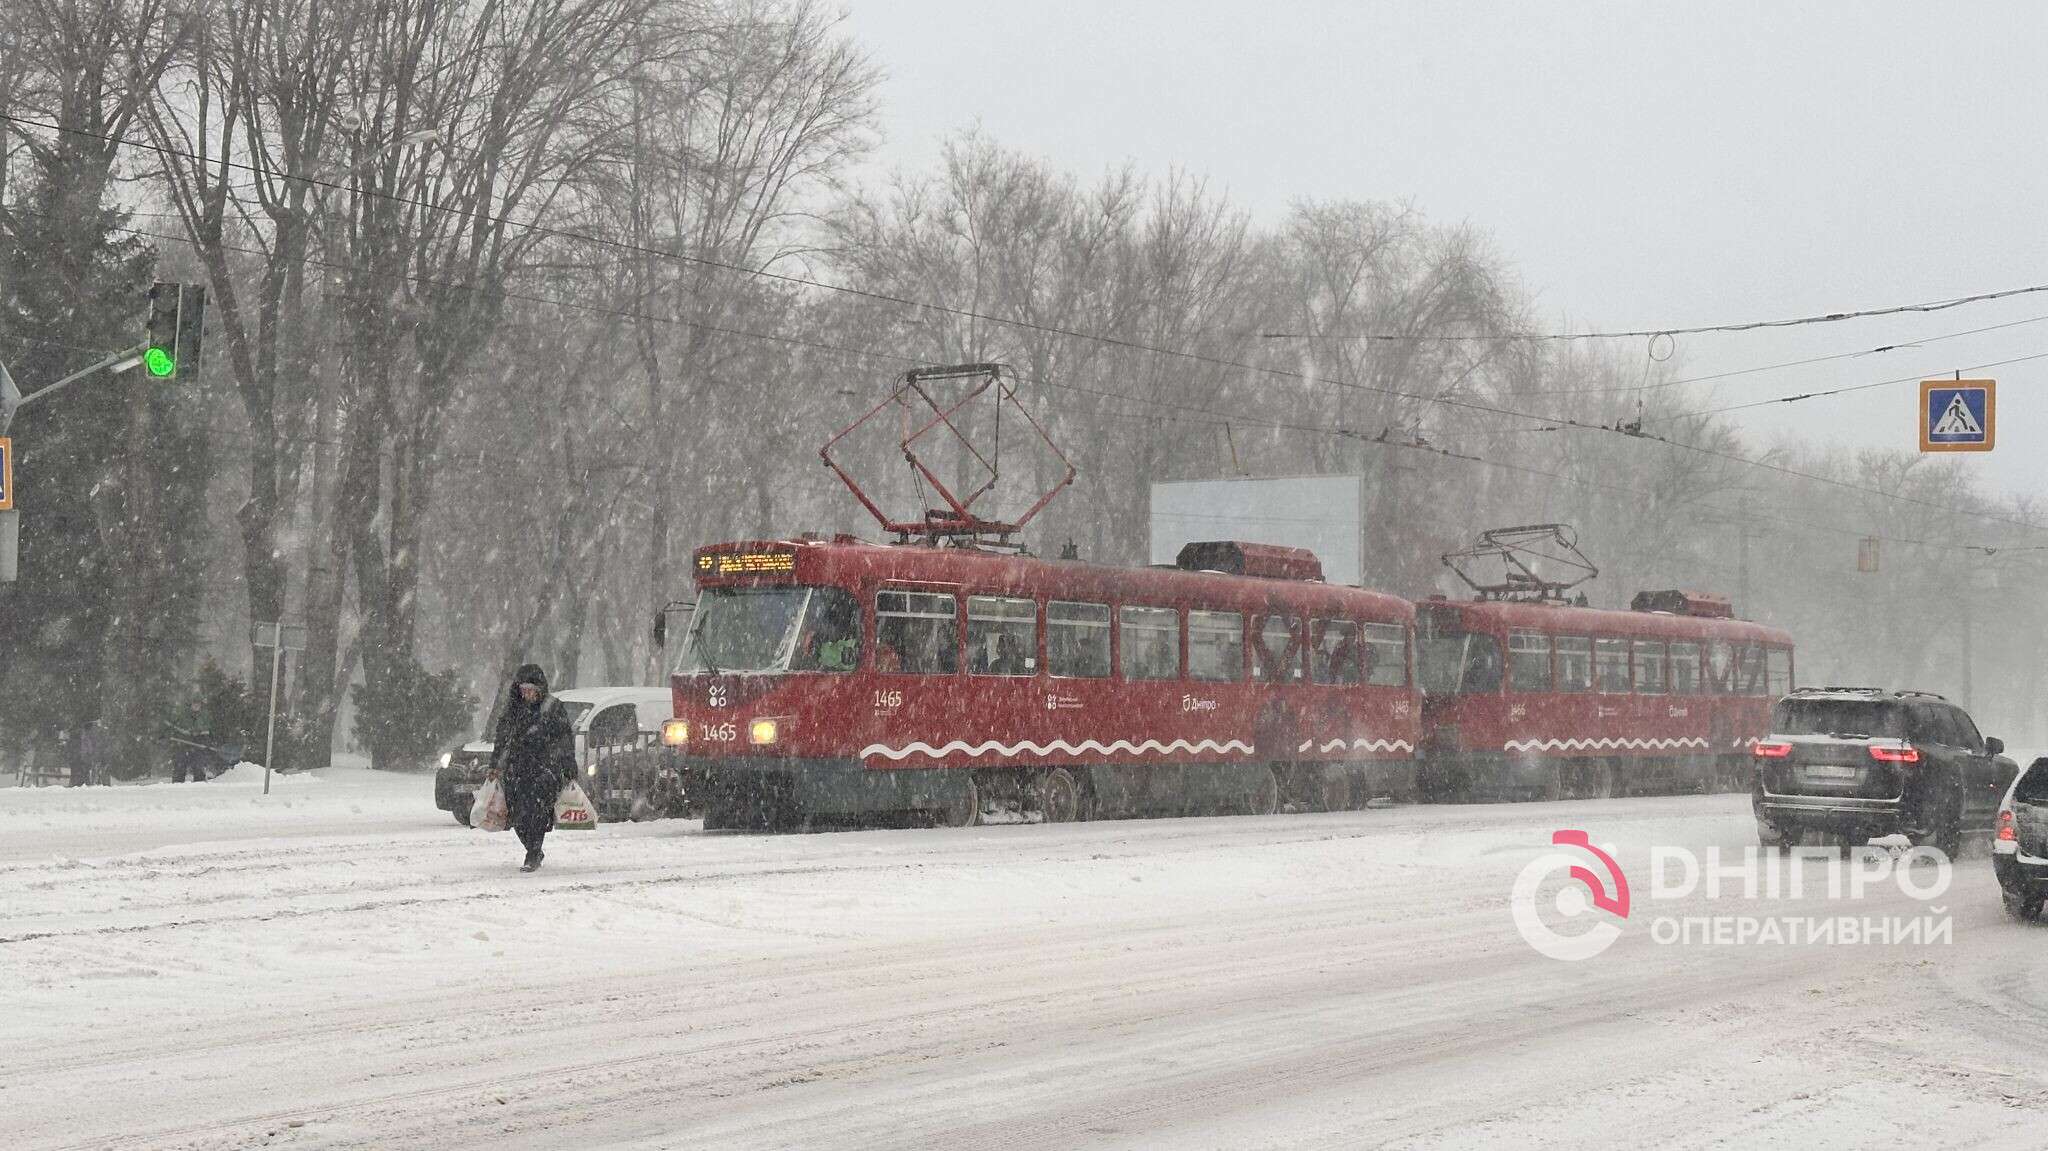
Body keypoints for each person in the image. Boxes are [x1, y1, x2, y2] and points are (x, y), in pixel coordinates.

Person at [490, 663, 576, 872]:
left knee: (536, 812)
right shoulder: (513, 710)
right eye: (523, 690)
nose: (526, 694)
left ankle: (533, 853)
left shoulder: (553, 708)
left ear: (539, 689)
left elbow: (564, 739)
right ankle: (533, 848)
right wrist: (495, 765)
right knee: (517, 815)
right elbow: (502, 738)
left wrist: (567, 767)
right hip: (516, 770)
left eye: (530, 690)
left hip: (544, 770)